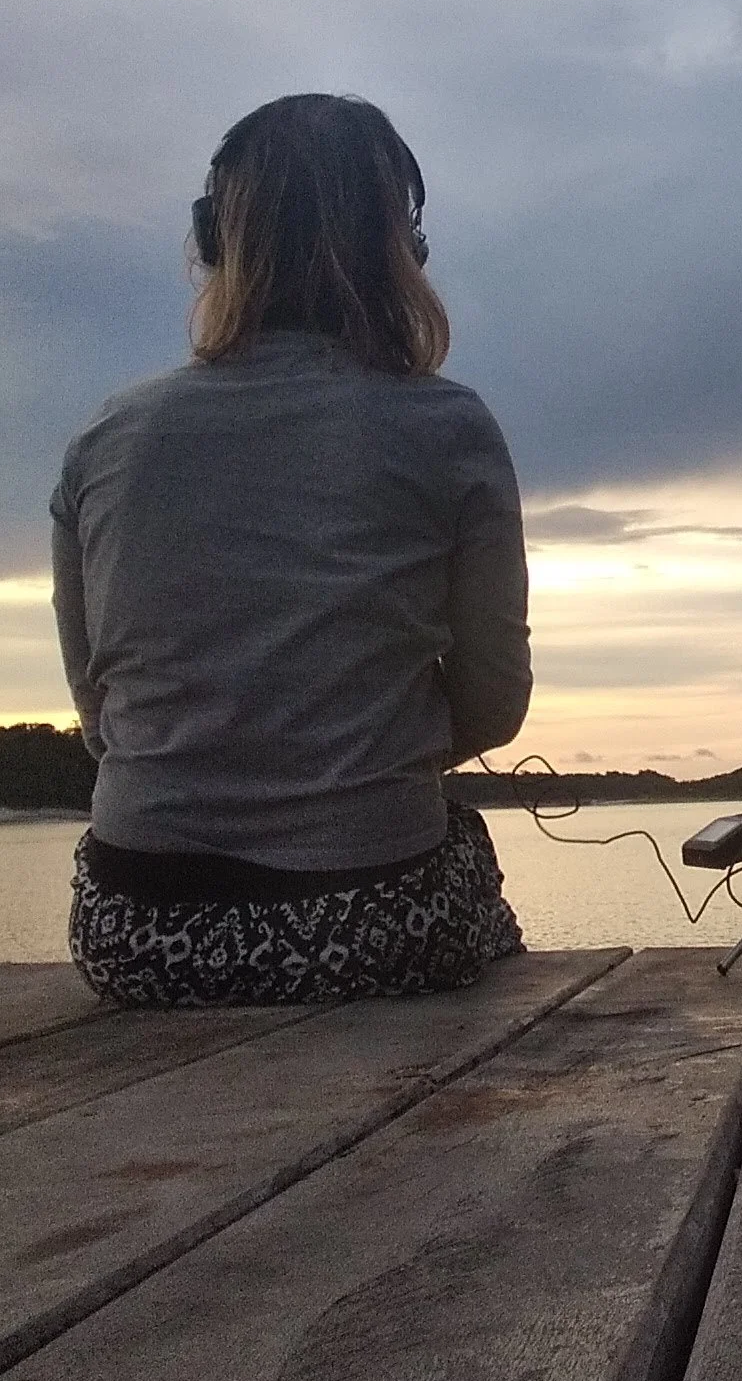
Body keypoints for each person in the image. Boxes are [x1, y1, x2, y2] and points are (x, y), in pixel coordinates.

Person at [51, 94, 532, 1004]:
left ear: (212, 241)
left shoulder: (106, 436)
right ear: (401, 248)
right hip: (370, 919)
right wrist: (358, 758)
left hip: (134, 934)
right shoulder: (449, 426)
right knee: (465, 858)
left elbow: (100, 718)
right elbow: (494, 705)